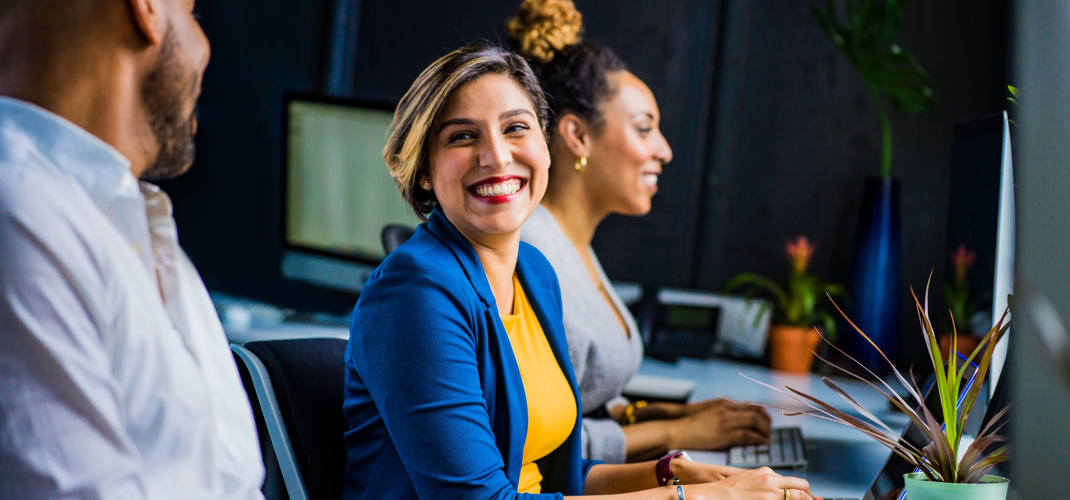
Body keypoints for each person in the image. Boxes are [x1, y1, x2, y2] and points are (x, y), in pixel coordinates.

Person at [342, 44, 814, 500]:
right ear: (424, 169)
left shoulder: (534, 272)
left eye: (515, 128)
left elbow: (552, 475)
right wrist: (698, 499)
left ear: (546, 145)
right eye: (463, 136)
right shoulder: (416, 293)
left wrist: (671, 472)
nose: (497, 155)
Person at [0, 0, 265, 498]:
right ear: (146, 8)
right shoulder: (19, 215)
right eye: (192, 15)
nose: (205, 48)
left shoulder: (126, 225)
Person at [510, 0, 773, 464]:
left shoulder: (572, 244)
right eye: (644, 129)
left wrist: (669, 414)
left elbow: (582, 399)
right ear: (578, 136)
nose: (665, 150)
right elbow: (540, 443)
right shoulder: (533, 253)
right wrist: (678, 431)